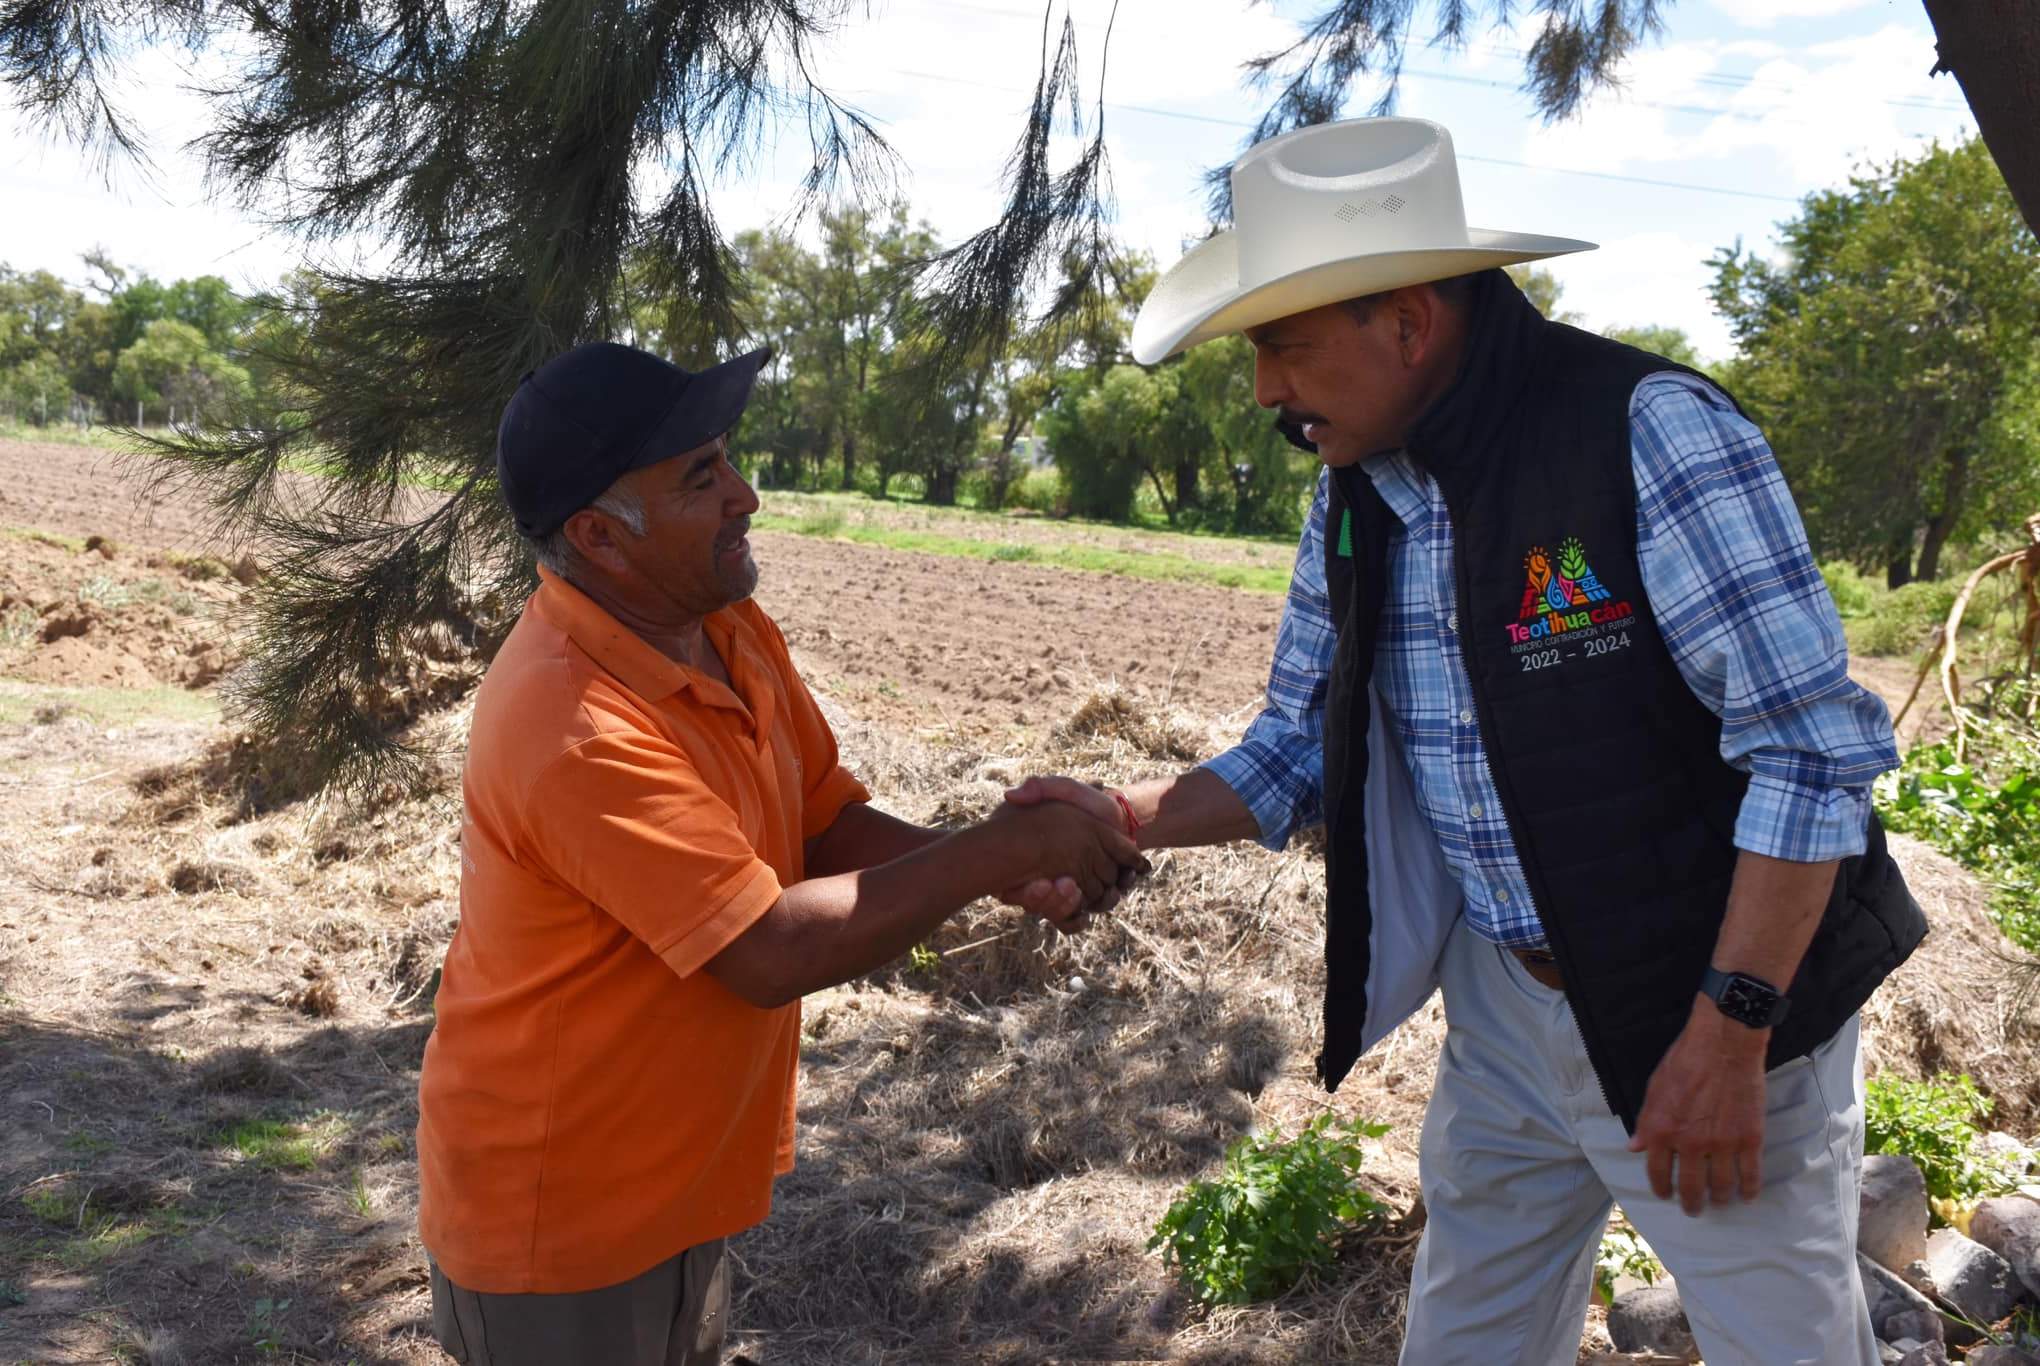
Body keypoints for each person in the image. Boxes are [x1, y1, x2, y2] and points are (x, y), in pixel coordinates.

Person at [1007, 117, 1925, 1365]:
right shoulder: (1355, 493)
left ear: (1408, 321)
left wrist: (1728, 1034)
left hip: (1705, 1003)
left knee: (1785, 1343)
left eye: (1281, 344)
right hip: (1505, 1009)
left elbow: (1811, 754)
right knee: (1465, 1336)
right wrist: (1118, 815)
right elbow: (1294, 746)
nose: (1266, 389)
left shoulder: (1648, 435)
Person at [416, 340, 1142, 1365]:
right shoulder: (570, 721)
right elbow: (764, 950)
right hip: (559, 1211)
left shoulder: (724, 627)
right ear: (598, 536)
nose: (745, 495)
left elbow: (815, 821)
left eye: (728, 459)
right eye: (701, 477)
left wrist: (1007, 867)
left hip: (670, 1178)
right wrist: (997, 849)